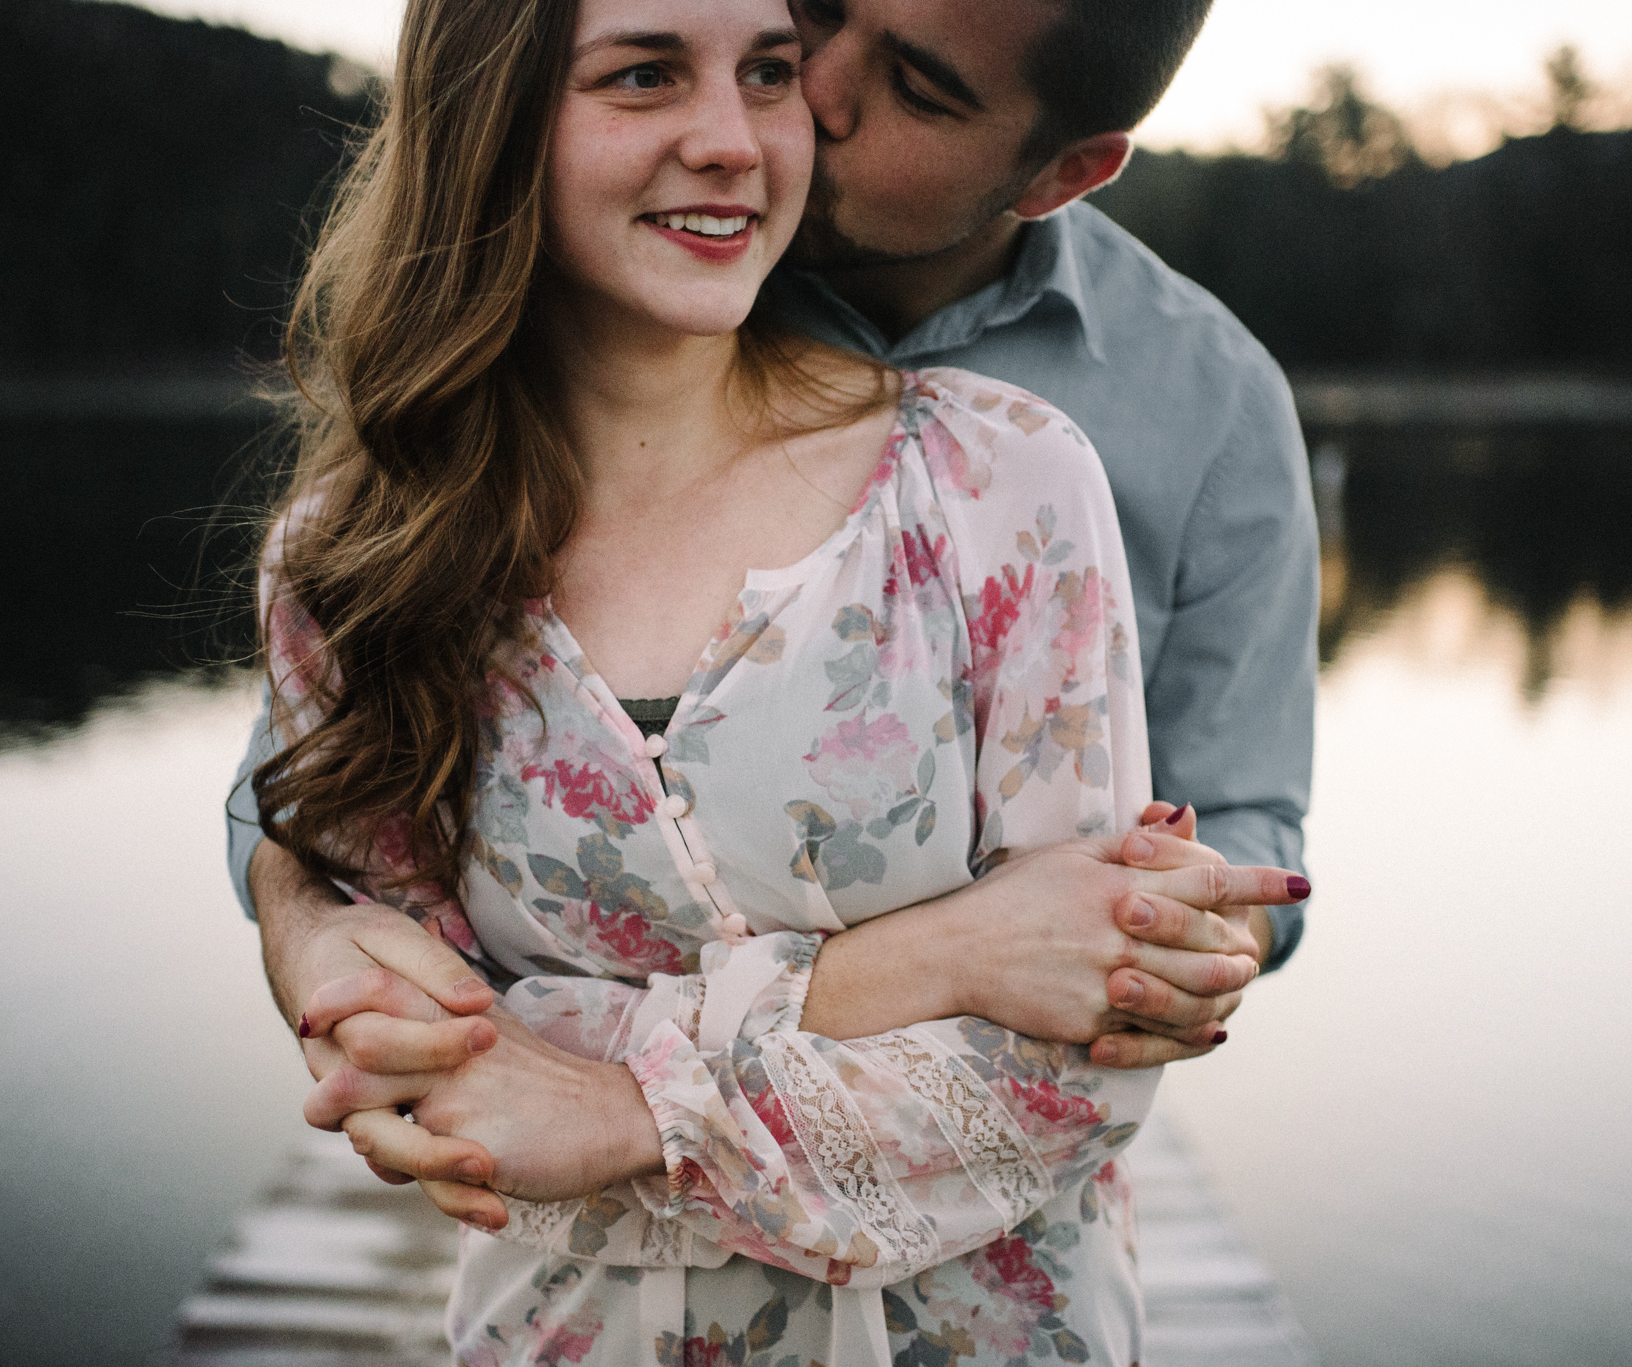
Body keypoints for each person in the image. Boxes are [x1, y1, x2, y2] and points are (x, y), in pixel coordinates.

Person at [242, 0, 1307, 1362]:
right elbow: (348, 890)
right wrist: (940, 958)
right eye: (815, 22)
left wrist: (629, 1104)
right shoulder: (368, 542)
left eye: (910, 83)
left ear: (1058, 176)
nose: (789, 112)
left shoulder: (1059, 454)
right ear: (491, 118)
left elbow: (1124, 974)